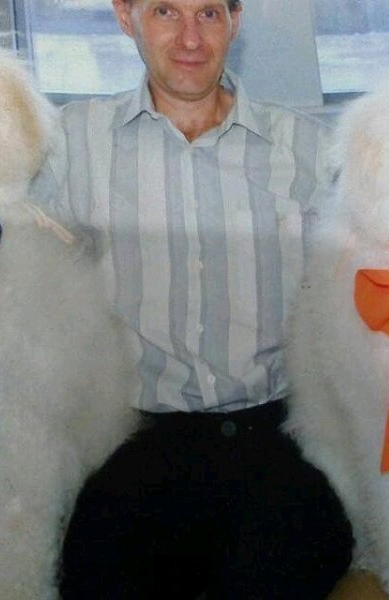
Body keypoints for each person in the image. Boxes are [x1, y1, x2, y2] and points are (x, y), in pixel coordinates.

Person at [33, 0, 353, 597]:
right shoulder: (68, 144)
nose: (190, 38)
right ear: (125, 16)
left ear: (236, 21)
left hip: (272, 435)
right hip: (135, 440)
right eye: (165, 12)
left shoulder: (311, 148)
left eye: (208, 14)